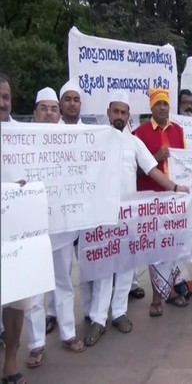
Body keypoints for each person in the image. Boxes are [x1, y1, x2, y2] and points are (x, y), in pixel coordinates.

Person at [79, 91, 191, 344]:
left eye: (123, 112)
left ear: (128, 115)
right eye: (115, 111)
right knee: (105, 268)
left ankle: (119, 313)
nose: (119, 116)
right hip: (102, 215)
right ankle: (98, 319)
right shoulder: (95, 139)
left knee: (126, 266)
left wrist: (175, 188)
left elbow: (153, 170)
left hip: (129, 215)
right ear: (108, 113)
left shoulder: (134, 143)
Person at [24, 87, 86, 368]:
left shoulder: (71, 140)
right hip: (31, 229)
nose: (49, 113)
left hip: (61, 227)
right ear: (35, 113)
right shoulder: (20, 142)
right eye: (44, 108)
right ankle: (36, 344)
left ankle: (69, 333)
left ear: (59, 113)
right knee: (34, 290)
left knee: (63, 282)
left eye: (53, 109)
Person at [134, 88, 190, 315]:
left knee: (173, 248)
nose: (162, 108)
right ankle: (157, 298)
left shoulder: (178, 130)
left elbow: (187, 162)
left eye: (165, 104)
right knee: (155, 250)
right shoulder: (139, 133)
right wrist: (155, 158)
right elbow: (134, 170)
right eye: (158, 104)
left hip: (174, 200)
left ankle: (173, 291)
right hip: (152, 200)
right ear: (151, 107)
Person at [0, 73, 28, 384]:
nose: (2, 102)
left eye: (6, 97)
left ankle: (10, 362)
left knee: (16, 299)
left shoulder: (25, 135)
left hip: (17, 227)